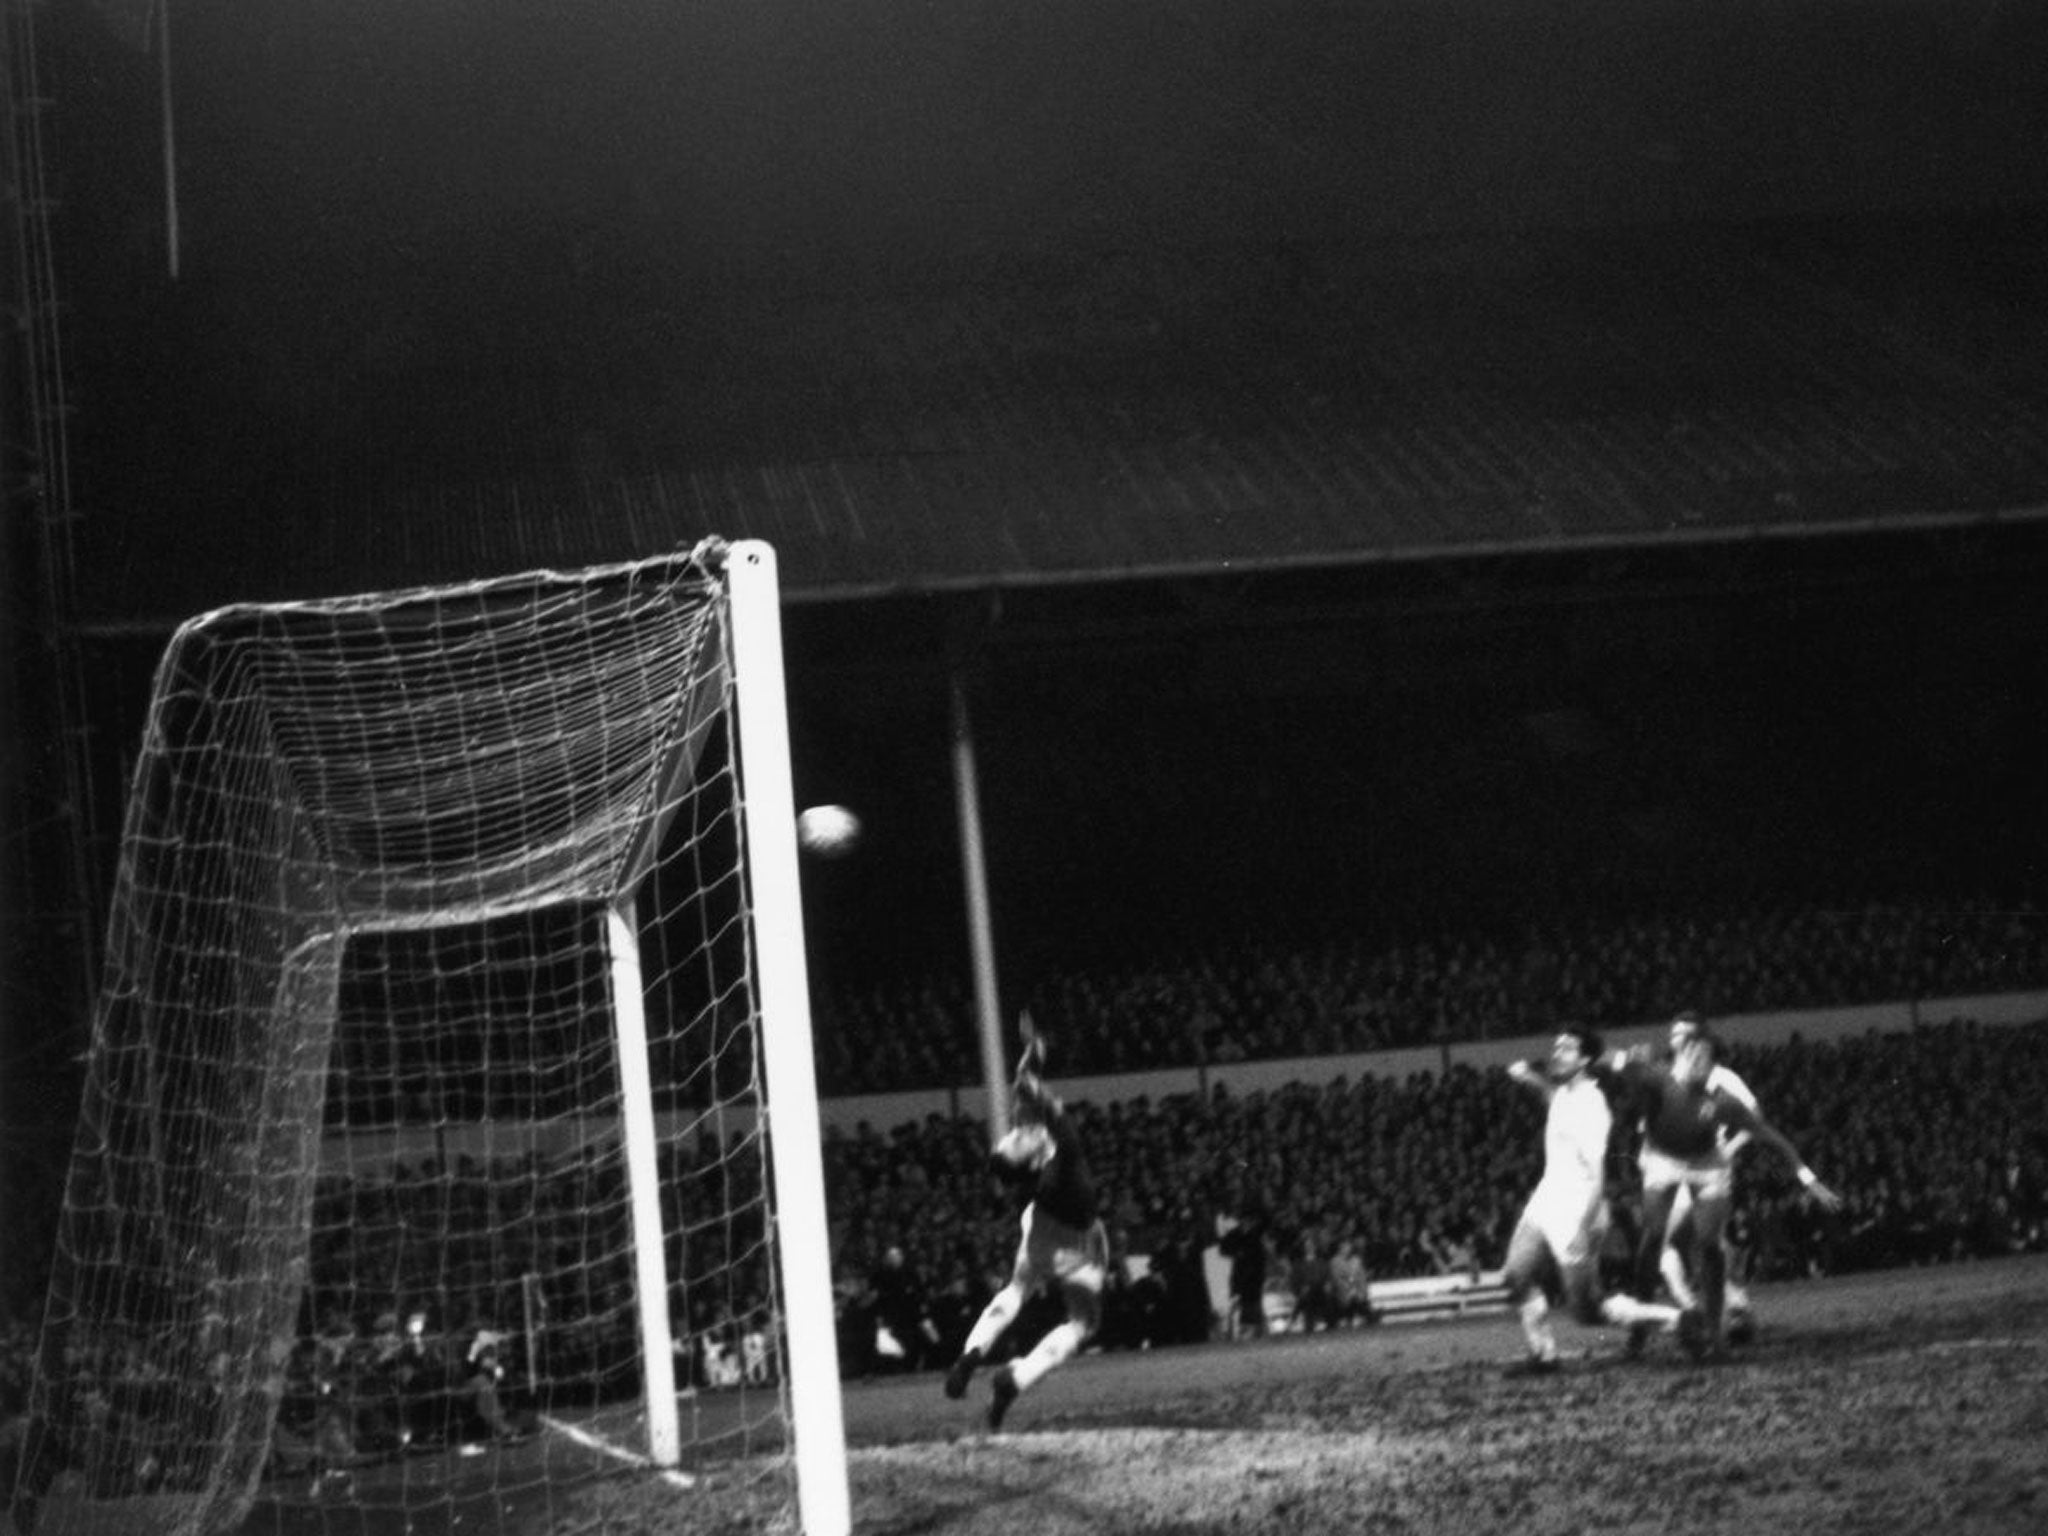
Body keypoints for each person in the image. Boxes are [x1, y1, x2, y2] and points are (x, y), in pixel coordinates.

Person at [1614, 1026, 1843, 1359]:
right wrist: (1618, 1060)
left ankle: (1714, 1334)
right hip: (1664, 1162)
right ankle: (1639, 1332)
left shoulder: (1724, 1100)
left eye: (1703, 1057)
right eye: (1690, 1053)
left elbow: (1772, 1137)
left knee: (1709, 1244)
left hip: (1709, 1165)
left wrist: (1809, 1180)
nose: (1695, 1060)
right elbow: (1612, 1064)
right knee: (1652, 1239)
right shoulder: (1658, 1078)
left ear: (1712, 1066)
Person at [943, 1028, 1109, 1432]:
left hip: (1038, 1231)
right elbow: (1054, 1113)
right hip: (1078, 1246)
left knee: (1016, 1290)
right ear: (1030, 1161)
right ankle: (1016, 1378)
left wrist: (1033, 1051)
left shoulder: (1031, 1152)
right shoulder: (1059, 1170)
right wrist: (1040, 1088)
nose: (1016, 1132)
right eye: (1016, 1139)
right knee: (1083, 1325)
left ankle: (970, 1356)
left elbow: (1023, 1085)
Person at [1499, 1027, 1686, 1375]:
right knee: (1515, 1278)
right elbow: (1552, 1098)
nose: (1557, 1053)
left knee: (1588, 1311)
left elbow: (1598, 1175)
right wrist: (1529, 1078)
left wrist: (1585, 1225)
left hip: (1574, 1208)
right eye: (1556, 1046)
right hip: (1546, 1199)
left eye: (1567, 1049)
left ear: (1585, 1059)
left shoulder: (1591, 1105)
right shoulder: (1566, 1094)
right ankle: (1543, 1355)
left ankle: (1677, 1320)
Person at [1653, 1012, 1762, 1341]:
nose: (1677, 1039)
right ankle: (1730, 1307)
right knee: (1699, 1244)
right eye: (1674, 1034)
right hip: (1674, 1171)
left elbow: (1754, 1116)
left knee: (1690, 1244)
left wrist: (1730, 1148)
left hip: (1706, 1170)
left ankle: (1702, 1310)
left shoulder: (1719, 1076)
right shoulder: (1666, 1077)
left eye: (1685, 1033)